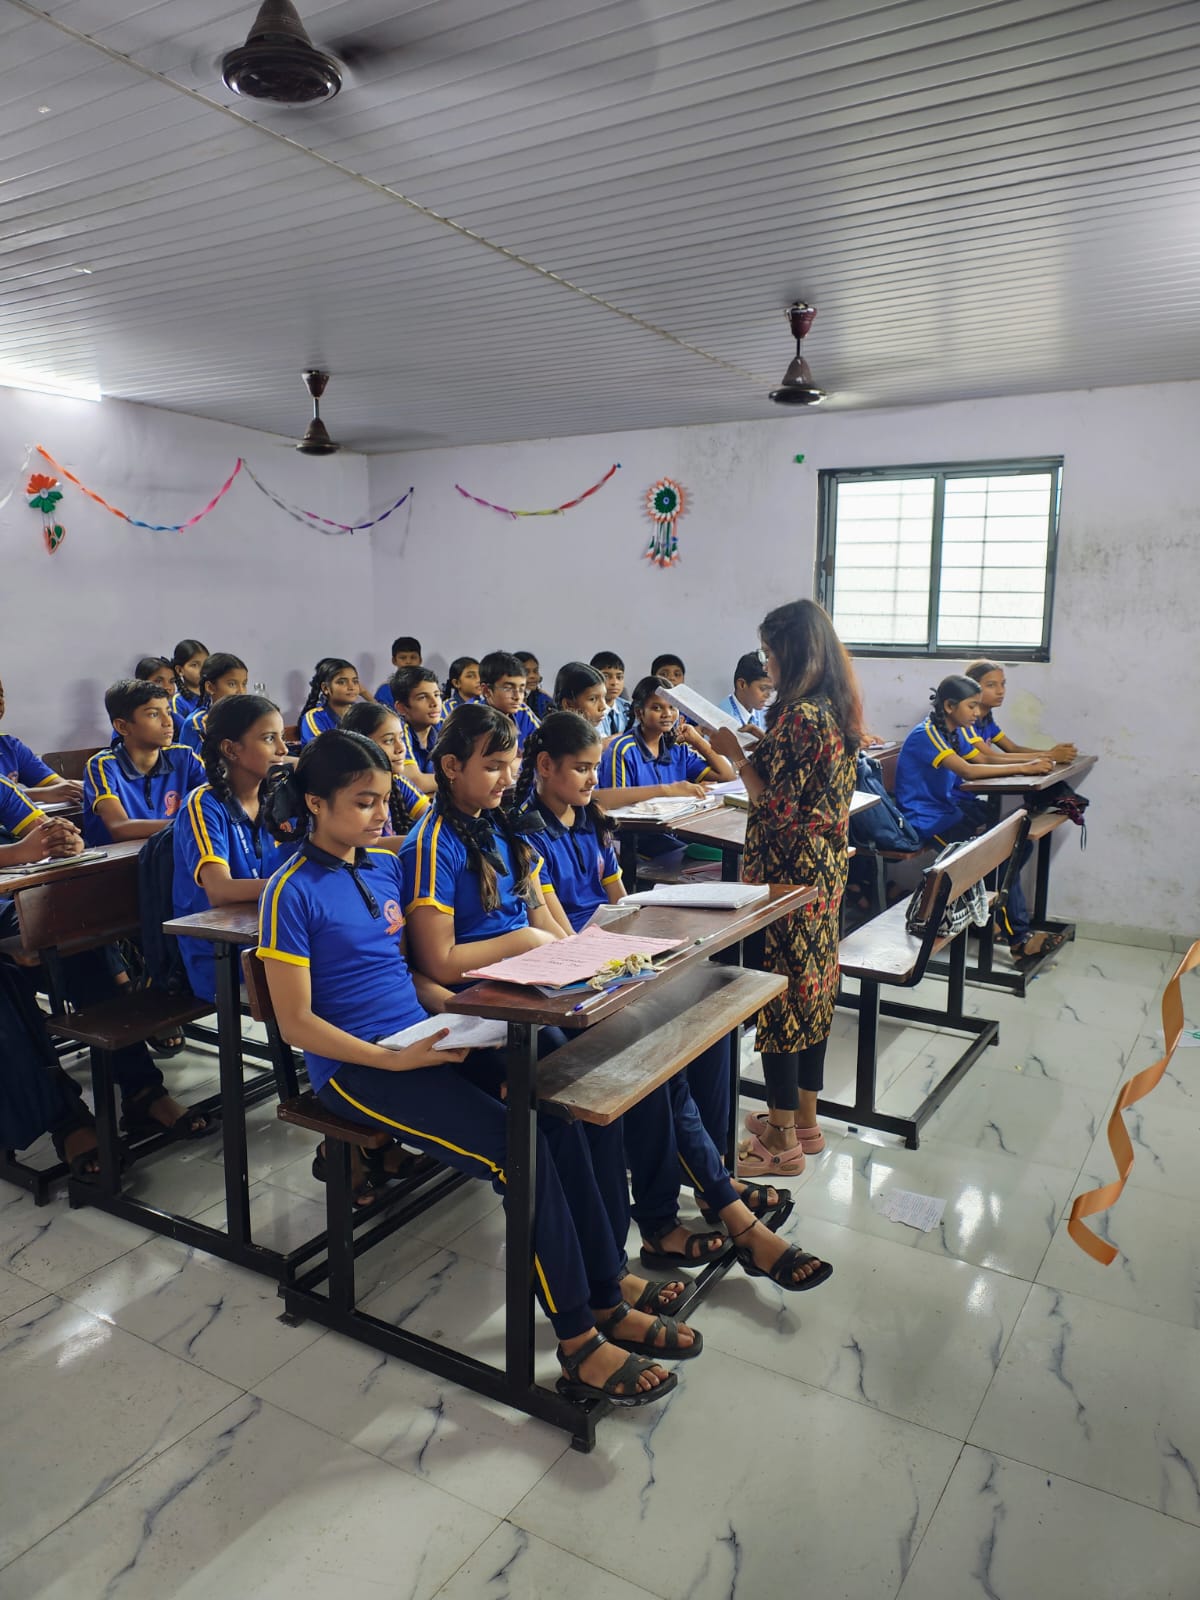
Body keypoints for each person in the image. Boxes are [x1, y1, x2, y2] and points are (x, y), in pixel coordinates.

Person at [256, 729, 683, 1403]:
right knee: (517, 1153)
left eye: (383, 800)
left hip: (423, 1038)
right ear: (315, 803)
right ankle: (578, 1340)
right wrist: (391, 1058)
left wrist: (466, 1018)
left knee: (556, 1114)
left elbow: (405, 974)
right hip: (357, 1069)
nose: (380, 815)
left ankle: (607, 1289)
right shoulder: (289, 891)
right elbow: (296, 1021)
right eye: (363, 803)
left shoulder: (380, 867)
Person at [511, 711, 831, 1289]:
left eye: (594, 767)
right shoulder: (528, 833)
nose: (592, 779)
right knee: (656, 1064)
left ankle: (712, 1188)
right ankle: (702, 1209)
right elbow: (562, 934)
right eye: (581, 768)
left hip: (616, 958)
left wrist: (652, 940)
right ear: (544, 766)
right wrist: (621, 961)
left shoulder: (590, 818)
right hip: (577, 977)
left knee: (706, 1031)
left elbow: (620, 901)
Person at [709, 601, 862, 1179]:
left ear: (794, 654)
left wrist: (734, 757)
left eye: (771, 654)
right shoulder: (832, 708)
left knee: (781, 995)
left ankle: (779, 1139)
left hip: (788, 871)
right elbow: (803, 780)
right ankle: (806, 1121)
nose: (767, 665)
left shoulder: (800, 716)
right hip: (822, 868)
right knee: (814, 989)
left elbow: (776, 810)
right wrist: (761, 748)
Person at [0, 775, 215, 1147]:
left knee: (77, 942)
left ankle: (142, 1091)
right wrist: (19, 853)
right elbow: (25, 849)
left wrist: (66, 839)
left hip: (10, 909)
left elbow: (43, 829)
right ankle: (67, 1120)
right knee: (8, 986)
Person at [895, 675, 1062, 964]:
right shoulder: (927, 734)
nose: (976, 712)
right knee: (997, 859)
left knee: (1018, 845)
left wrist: (1033, 762)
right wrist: (1025, 768)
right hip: (926, 820)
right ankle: (1019, 939)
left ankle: (989, 916)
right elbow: (969, 771)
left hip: (951, 812)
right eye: (971, 706)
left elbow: (983, 759)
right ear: (949, 706)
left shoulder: (954, 731)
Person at [172, 694, 295, 1004]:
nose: (283, 749)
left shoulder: (279, 797)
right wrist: (298, 887)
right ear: (230, 749)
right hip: (223, 958)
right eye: (269, 738)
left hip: (274, 936)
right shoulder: (204, 805)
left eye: (282, 737)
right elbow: (220, 890)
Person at [83, 679, 204, 845]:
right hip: (121, 859)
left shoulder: (184, 756)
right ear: (122, 727)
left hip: (171, 850)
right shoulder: (103, 766)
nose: (168, 722)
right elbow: (119, 827)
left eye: (168, 712)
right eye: (154, 714)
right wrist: (191, 825)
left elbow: (220, 801)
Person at [595, 675, 735, 810]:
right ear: (639, 713)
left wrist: (697, 740)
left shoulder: (677, 749)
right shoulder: (623, 750)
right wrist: (668, 791)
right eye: (657, 708)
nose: (667, 714)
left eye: (672, 707)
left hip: (675, 822)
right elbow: (614, 804)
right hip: (637, 826)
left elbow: (727, 775)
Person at [340, 701, 430, 844]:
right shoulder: (346, 790)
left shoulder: (397, 782)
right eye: (388, 741)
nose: (401, 748)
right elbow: (362, 847)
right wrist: (421, 844)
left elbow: (435, 822)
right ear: (361, 745)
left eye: (401, 738)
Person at [963, 660, 1079, 765]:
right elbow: (990, 757)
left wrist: (1051, 753)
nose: (1000, 691)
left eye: (1003, 684)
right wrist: (1051, 756)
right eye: (991, 685)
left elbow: (1012, 748)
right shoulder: (965, 721)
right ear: (972, 688)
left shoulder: (986, 718)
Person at [0, 673, 83, 802]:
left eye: (1, 694)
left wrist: (87, 788)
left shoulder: (10, 746)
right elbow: (48, 792)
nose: (0, 701)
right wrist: (40, 794)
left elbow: (59, 787)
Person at [178, 653, 249, 754]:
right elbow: (193, 762)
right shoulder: (196, 723)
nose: (241, 691)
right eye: (232, 684)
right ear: (210, 687)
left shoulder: (248, 719)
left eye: (244, 684)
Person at [389, 666, 444, 793]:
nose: (434, 703)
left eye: (437, 695)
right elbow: (416, 782)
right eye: (422, 697)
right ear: (401, 708)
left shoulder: (444, 726)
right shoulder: (397, 730)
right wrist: (460, 781)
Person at [477, 650, 540, 751]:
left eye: (521, 689)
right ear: (486, 691)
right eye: (508, 688)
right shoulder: (470, 718)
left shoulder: (523, 712)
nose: (517, 697)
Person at [299, 658, 361, 743]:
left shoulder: (361, 713)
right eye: (342, 682)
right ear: (325, 688)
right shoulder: (315, 717)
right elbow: (326, 748)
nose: (351, 687)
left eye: (355, 681)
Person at [553, 661, 610, 739]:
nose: (603, 707)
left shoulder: (589, 732)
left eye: (604, 697)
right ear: (568, 704)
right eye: (592, 699)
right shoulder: (560, 741)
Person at [720, 651, 773, 732]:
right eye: (763, 688)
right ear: (742, 684)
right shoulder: (720, 718)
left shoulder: (766, 715)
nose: (768, 695)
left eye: (771, 689)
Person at [374, 637, 422, 711]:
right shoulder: (385, 691)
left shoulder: (430, 688)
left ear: (420, 660)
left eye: (413, 657)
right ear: (394, 660)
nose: (408, 662)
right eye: (403, 658)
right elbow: (380, 716)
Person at [591, 650, 630, 739]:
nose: (614, 682)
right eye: (606, 676)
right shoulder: (589, 709)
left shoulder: (629, 707)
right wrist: (631, 733)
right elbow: (599, 743)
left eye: (619, 677)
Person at [170, 639, 208, 724]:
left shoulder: (212, 695)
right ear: (180, 670)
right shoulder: (177, 701)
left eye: (205, 664)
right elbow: (182, 730)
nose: (202, 670)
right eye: (194, 665)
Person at [516, 652, 554, 720]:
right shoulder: (507, 700)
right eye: (526, 672)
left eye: (535, 671)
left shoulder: (545, 701)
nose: (532, 676)